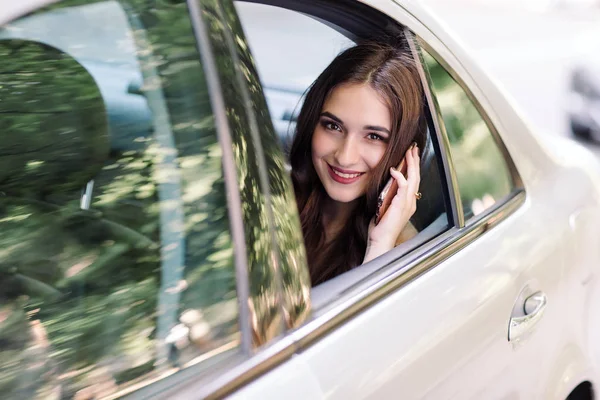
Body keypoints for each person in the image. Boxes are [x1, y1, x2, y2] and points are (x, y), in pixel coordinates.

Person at [289, 40, 427, 286]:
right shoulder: (271, 200)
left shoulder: (406, 250)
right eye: (333, 126)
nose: (345, 156)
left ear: (407, 154)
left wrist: (380, 245)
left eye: (374, 136)